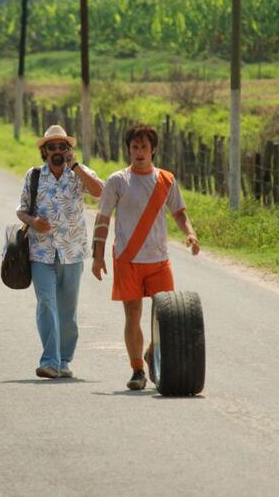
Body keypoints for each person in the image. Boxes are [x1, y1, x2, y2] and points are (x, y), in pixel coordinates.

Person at [91, 124, 200, 390]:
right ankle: (138, 370)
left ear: (154, 150)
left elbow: (179, 213)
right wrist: (98, 255)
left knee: (167, 317)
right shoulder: (118, 180)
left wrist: (191, 234)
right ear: (128, 150)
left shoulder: (166, 180)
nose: (139, 152)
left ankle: (152, 352)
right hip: (127, 260)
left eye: (144, 147)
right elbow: (103, 218)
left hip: (159, 260)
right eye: (134, 147)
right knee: (133, 315)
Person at [16, 125, 103, 379]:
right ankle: (50, 360)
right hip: (40, 252)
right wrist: (33, 222)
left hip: (72, 251)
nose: (57, 151)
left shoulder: (79, 174)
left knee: (67, 310)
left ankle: (64, 359)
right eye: (51, 147)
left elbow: (100, 192)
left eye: (62, 147)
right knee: (46, 302)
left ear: (69, 150)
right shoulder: (33, 176)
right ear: (44, 151)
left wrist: (75, 167)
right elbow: (21, 209)